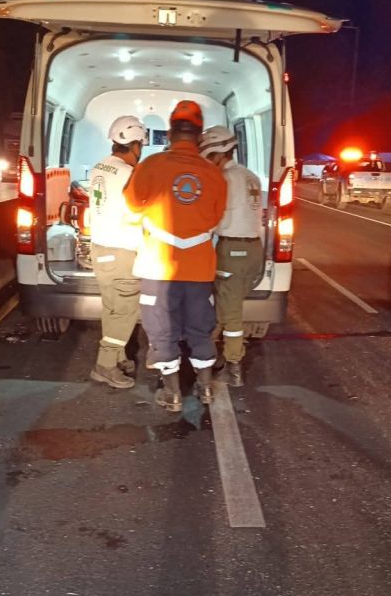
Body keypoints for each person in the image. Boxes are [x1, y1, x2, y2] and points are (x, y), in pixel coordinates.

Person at [123, 100, 227, 411]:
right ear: (200, 137)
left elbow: (132, 206)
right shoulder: (214, 174)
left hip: (158, 266)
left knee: (162, 331)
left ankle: (172, 394)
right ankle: (205, 389)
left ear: (169, 134)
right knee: (200, 329)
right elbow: (215, 218)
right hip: (199, 269)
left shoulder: (150, 165)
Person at [199, 125, 264, 386]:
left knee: (232, 312)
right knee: (227, 304)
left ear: (218, 152)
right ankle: (214, 353)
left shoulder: (223, 179)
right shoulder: (251, 176)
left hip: (232, 251)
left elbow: (212, 218)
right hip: (254, 250)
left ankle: (234, 366)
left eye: (209, 156)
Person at [88, 115, 148, 389]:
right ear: (135, 145)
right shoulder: (129, 174)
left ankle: (120, 357)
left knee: (111, 308)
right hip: (122, 251)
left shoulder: (99, 167)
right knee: (124, 311)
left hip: (100, 249)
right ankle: (105, 366)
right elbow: (140, 211)